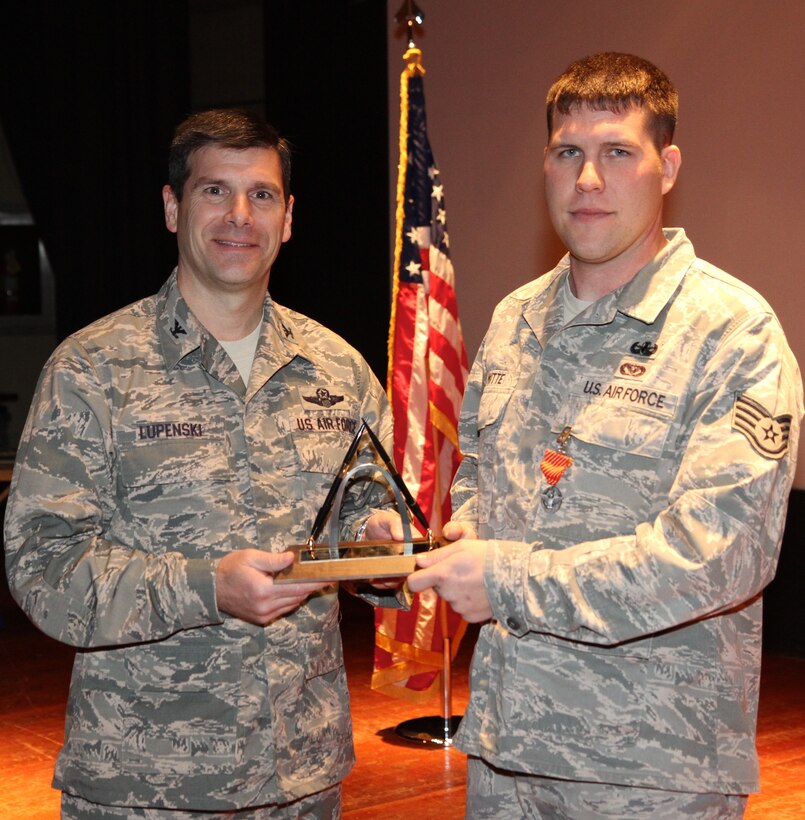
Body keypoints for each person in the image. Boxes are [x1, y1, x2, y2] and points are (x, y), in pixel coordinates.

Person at [407, 52, 803, 818]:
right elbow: (479, 477)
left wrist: (505, 579)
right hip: (504, 752)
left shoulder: (732, 332)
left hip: (649, 771)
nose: (588, 179)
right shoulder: (516, 319)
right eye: (567, 153)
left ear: (666, 167)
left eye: (617, 152)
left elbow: (716, 557)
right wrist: (449, 542)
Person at [3, 108, 397, 818]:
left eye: (262, 195)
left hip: (300, 778)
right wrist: (205, 588)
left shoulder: (339, 371)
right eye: (214, 191)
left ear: (288, 217)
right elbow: (42, 568)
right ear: (171, 206)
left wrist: (382, 550)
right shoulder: (94, 370)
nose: (239, 216)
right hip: (146, 785)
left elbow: (370, 518)